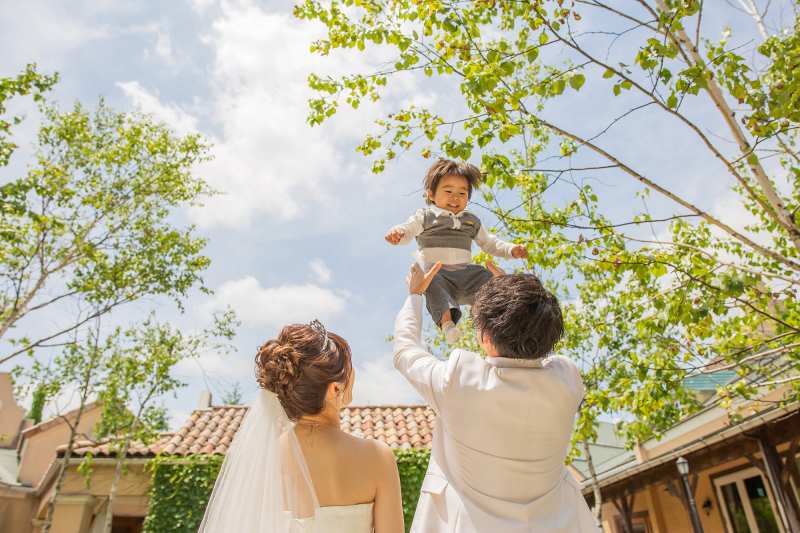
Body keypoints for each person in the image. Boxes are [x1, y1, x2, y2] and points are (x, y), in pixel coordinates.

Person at [393, 262, 599, 532]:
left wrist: (415, 294)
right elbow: (546, 351)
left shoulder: (459, 380)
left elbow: (405, 351)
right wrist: (515, 294)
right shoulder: (567, 382)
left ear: (486, 338)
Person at [198, 321, 405, 533]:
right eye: (349, 366)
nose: (353, 372)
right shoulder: (377, 457)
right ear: (335, 388)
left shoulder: (261, 460)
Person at [385, 159, 528, 345]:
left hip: (466, 273)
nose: (455, 197)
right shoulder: (425, 216)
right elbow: (408, 228)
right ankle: (448, 325)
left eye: (462, 193)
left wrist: (511, 249)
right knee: (431, 282)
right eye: (448, 191)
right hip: (439, 273)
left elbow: (488, 242)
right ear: (431, 194)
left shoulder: (471, 220)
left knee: (486, 276)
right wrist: (398, 233)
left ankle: (488, 323)